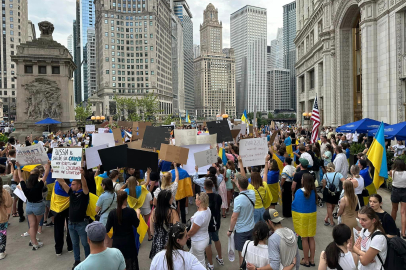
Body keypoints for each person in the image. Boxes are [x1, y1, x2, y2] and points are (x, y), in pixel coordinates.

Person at [56, 169, 91, 269]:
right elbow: (62, 182)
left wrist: (82, 176)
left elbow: (85, 185)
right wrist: (54, 171)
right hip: (71, 224)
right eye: (71, 184)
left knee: (85, 244)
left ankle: (88, 261)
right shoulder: (71, 192)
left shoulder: (84, 194)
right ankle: (77, 261)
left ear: (79, 185)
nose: (71, 185)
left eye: (74, 184)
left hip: (82, 224)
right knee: (75, 244)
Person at [18, 160, 50, 250]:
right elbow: (45, 175)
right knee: (36, 224)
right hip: (38, 206)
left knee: (32, 225)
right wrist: (47, 165)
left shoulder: (24, 186)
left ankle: (33, 240)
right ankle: (34, 242)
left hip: (29, 206)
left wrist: (18, 167)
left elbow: (20, 178)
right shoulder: (39, 185)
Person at [106, 191, 141, 270]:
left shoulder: (112, 213)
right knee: (130, 263)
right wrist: (138, 213)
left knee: (119, 263)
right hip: (129, 242)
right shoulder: (131, 211)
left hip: (117, 242)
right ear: (126, 199)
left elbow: (107, 228)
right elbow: (136, 224)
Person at [227, 175, 256, 265]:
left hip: (241, 231)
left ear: (238, 186)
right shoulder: (252, 193)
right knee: (250, 253)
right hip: (251, 228)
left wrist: (230, 230)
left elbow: (234, 217)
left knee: (242, 254)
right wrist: (236, 181)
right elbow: (242, 186)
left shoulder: (238, 199)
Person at [292, 173, 317, 267]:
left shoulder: (299, 192)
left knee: (304, 238)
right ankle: (312, 259)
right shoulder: (314, 191)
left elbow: (295, 204)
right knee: (311, 237)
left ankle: (306, 260)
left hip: (302, 217)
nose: (301, 180)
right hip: (312, 216)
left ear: (304, 181)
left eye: (302, 179)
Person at [149, 189, 180, 259]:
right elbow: (177, 230)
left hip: (157, 243)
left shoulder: (154, 212)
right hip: (170, 244)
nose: (173, 199)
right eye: (171, 197)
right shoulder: (173, 212)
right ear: (167, 200)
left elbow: (152, 230)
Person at [204, 179, 224, 270]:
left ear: (204, 187)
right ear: (213, 186)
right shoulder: (218, 197)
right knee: (216, 239)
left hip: (206, 224)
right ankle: (220, 258)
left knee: (208, 244)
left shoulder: (203, 198)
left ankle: (211, 265)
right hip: (216, 222)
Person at [187, 192, 211, 267]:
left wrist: (187, 236)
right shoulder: (207, 209)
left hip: (198, 241)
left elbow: (193, 231)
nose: (195, 200)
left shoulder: (200, 216)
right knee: (190, 256)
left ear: (200, 201)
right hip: (204, 237)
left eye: (196, 198)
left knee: (201, 262)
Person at [95, 177, 117, 247]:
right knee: (112, 238)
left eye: (102, 184)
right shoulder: (115, 195)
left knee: (106, 240)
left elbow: (96, 210)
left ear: (104, 186)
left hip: (104, 219)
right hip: (114, 218)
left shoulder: (102, 196)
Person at [389, 159, 406, 238]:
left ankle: (391, 228)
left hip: (395, 191)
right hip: (404, 191)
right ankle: (403, 232)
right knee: (403, 212)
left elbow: (389, 176)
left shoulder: (392, 172)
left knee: (394, 210)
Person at [0, 176, 13, 260]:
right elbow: (8, 204)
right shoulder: (3, 192)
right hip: (2, 217)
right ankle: (1, 252)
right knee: (2, 234)